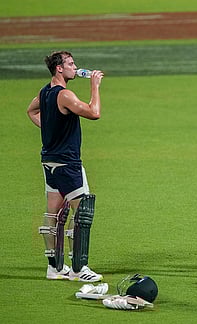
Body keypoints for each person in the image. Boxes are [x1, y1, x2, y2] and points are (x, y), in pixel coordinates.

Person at [27, 51, 103, 282]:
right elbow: (94, 113)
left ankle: (55, 268)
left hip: (49, 161)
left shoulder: (44, 92)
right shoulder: (65, 95)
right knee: (82, 213)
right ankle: (80, 269)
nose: (75, 67)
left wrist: (50, 130)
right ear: (59, 68)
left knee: (53, 213)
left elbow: (31, 111)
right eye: (70, 64)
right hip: (67, 163)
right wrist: (95, 86)